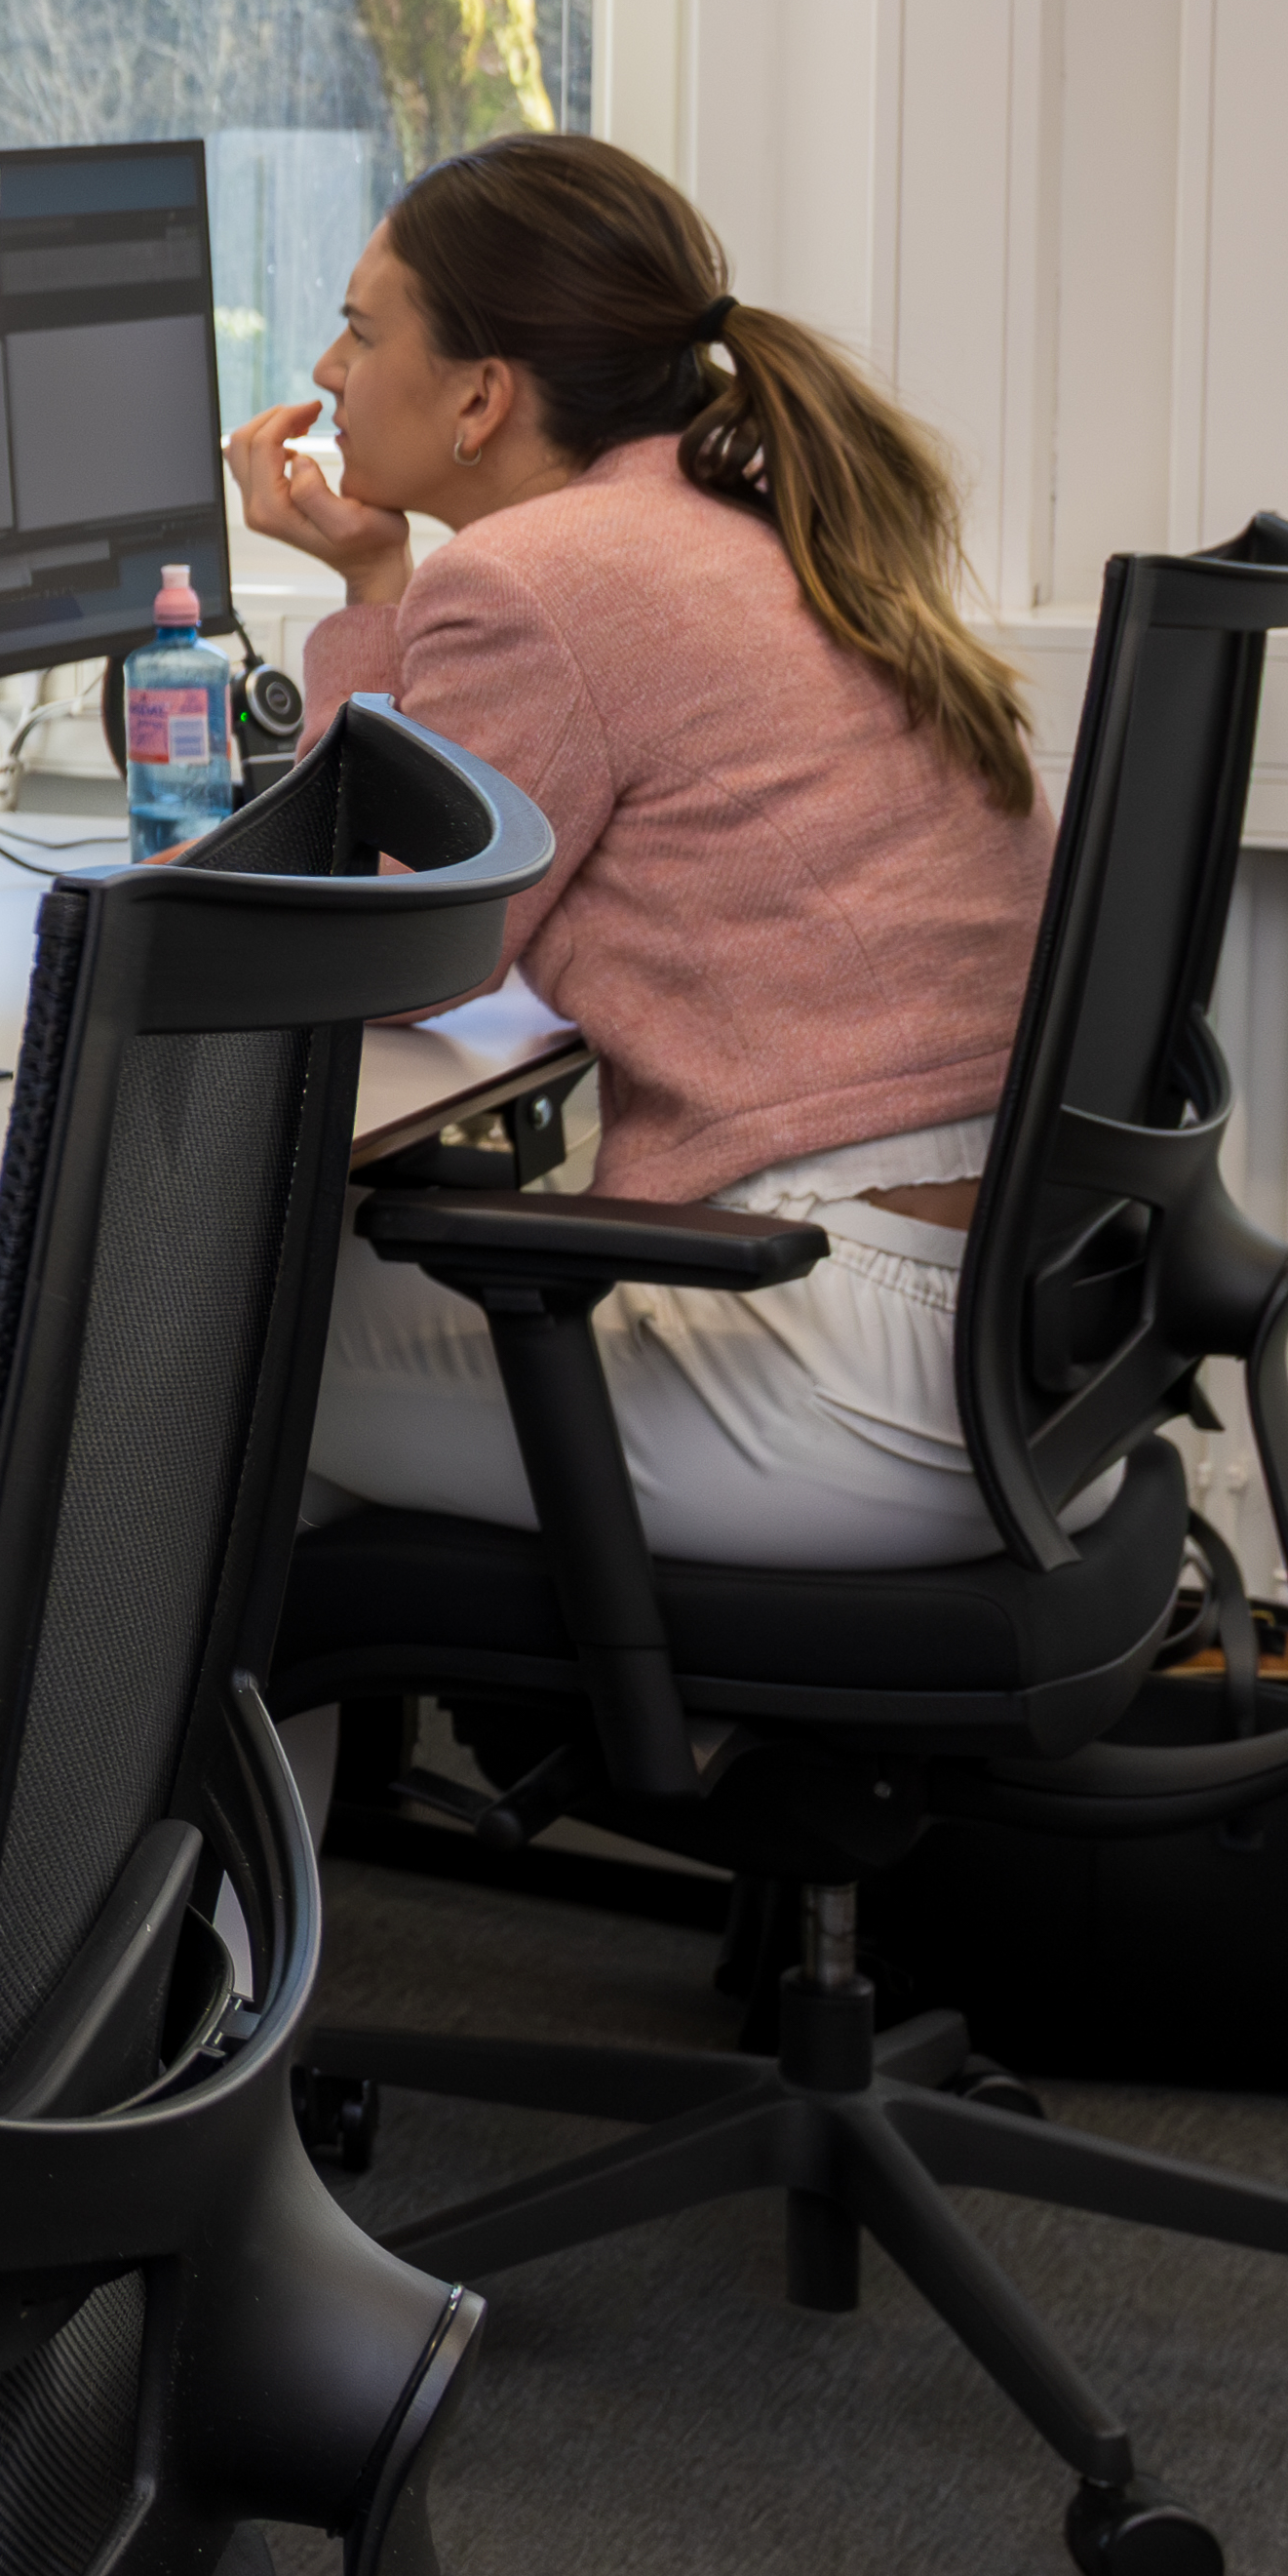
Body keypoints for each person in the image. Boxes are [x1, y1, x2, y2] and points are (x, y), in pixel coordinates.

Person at [222, 129, 1064, 1570]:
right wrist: (376, 574)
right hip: (1018, 1341)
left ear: (481, 396)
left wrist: (373, 598)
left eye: (362, 331)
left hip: (835, 1350)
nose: (325, 370)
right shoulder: (729, 513)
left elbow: (377, 956)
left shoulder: (537, 578)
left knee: (162, 1328)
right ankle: (321, 1762)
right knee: (281, 1308)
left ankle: (137, 1795)